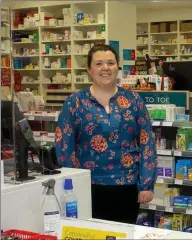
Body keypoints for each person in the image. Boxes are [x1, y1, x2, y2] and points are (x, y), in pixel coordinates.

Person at [55, 44, 158, 224]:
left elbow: (147, 143)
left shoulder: (134, 101)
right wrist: (70, 182)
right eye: (99, 63)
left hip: (126, 185)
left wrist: (146, 184)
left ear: (118, 67)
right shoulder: (75, 102)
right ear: (89, 69)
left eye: (110, 63)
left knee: (123, 235)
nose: (105, 68)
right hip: (87, 185)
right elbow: (64, 145)